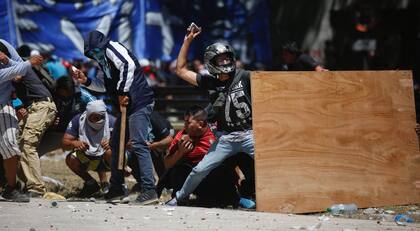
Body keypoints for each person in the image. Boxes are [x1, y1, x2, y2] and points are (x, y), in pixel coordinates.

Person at [166, 24, 255, 206]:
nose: (224, 63)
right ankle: (178, 198)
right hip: (225, 139)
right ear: (210, 63)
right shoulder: (210, 82)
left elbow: (272, 85)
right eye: (219, 60)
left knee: (270, 164)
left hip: (249, 135)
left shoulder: (245, 76)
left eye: (226, 59)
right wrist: (188, 40)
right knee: (199, 170)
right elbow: (181, 70)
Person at [72, 30, 157, 205]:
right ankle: (117, 188)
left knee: (139, 144)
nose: (95, 55)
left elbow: (128, 66)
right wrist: (86, 80)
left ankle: (149, 189)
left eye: (97, 51)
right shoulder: (103, 64)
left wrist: (122, 92)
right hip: (125, 106)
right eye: (92, 53)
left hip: (139, 102)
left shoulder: (113, 48)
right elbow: (102, 86)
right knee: (115, 145)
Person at [1, 40, 58, 197]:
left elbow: (16, 72)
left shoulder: (22, 67)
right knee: (14, 146)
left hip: (40, 106)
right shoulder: (17, 65)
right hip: (35, 108)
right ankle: (20, 184)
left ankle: (36, 188)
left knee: (27, 143)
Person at [163, 106, 239, 207]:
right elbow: (167, 164)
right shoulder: (182, 137)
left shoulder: (217, 133)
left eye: (188, 122)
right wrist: (180, 152)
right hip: (193, 180)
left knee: (222, 168)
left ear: (200, 124)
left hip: (215, 179)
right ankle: (180, 199)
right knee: (178, 169)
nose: (184, 125)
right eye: (184, 122)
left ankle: (229, 197)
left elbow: (232, 159)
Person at [0, 47, 43, 202]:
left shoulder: (4, 44)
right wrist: (28, 63)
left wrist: (7, 60)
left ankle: (11, 188)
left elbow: (16, 66)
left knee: (11, 145)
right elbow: (7, 74)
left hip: (5, 105)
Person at [62, 100, 115, 197]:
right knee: (71, 159)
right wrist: (75, 143)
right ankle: (91, 184)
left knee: (110, 151)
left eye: (100, 116)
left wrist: (112, 143)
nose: (97, 120)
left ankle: (116, 185)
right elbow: (65, 143)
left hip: (107, 160)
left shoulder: (112, 121)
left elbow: (128, 142)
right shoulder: (78, 120)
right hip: (87, 157)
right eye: (93, 117)